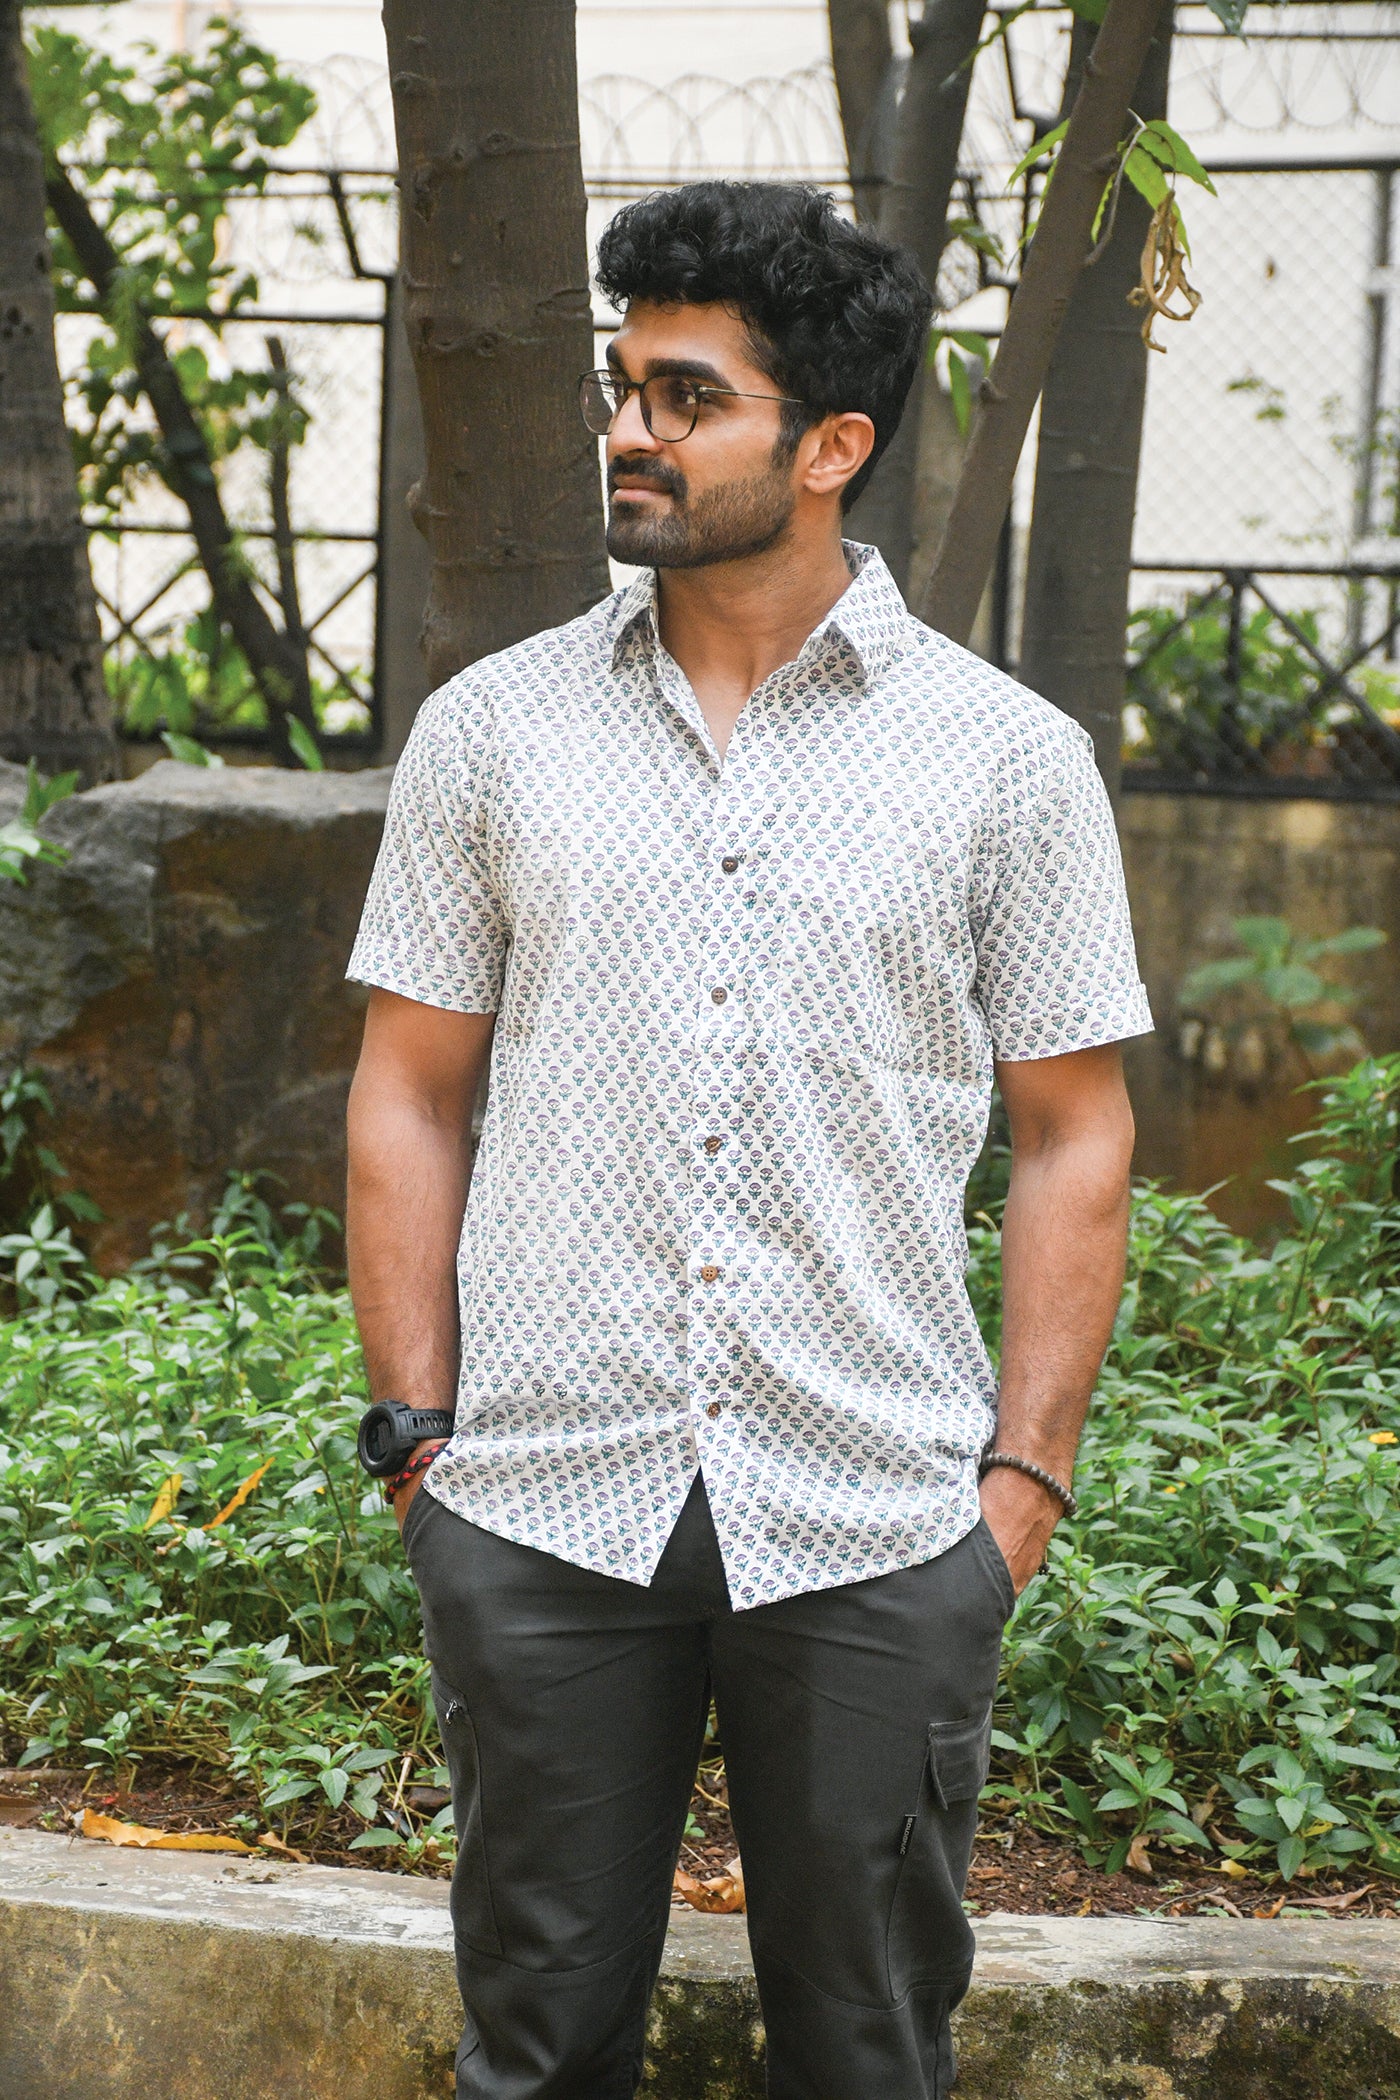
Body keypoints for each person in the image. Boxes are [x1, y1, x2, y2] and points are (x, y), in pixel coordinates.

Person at [345, 179, 1152, 2100]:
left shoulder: (1003, 761)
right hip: (541, 1502)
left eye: (686, 395)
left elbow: (1072, 1137)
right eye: (625, 388)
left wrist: (1016, 1491)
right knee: (535, 2044)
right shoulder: (494, 731)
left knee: (867, 2047)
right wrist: (417, 1438)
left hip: (876, 1515)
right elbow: (408, 1086)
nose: (630, 428)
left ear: (829, 448)